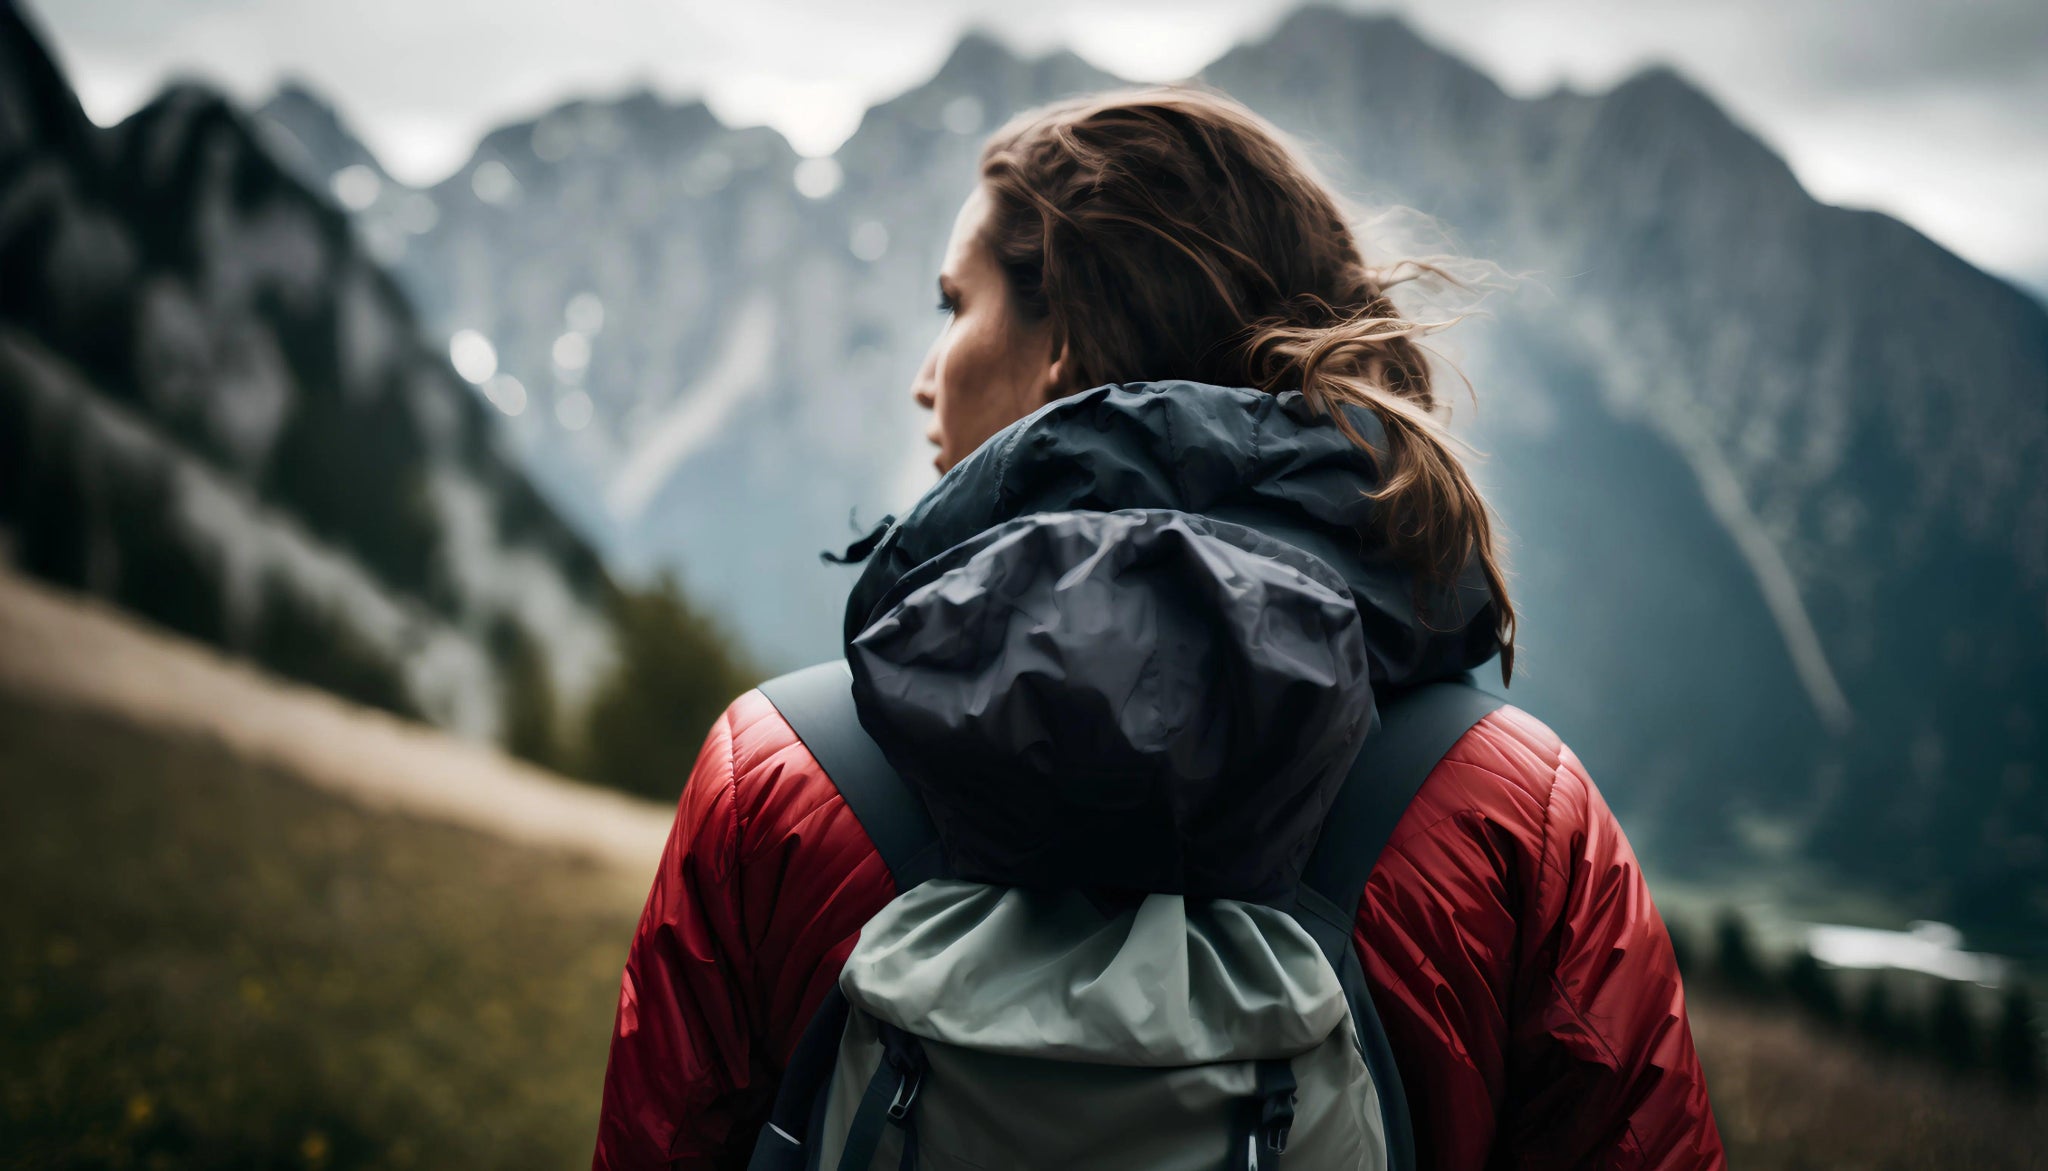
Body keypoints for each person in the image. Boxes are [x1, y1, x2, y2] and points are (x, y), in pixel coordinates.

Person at [592, 87, 1725, 1171]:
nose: (924, 379)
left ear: (1064, 346)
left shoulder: (778, 780)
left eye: (954, 305)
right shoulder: (1515, 814)